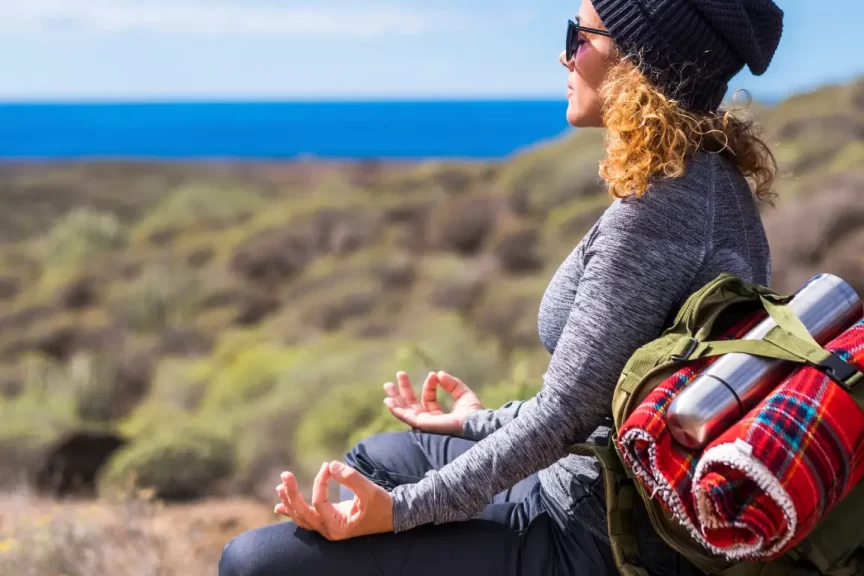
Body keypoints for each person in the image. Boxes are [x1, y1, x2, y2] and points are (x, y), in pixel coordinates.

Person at [218, 0, 783, 574]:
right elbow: (599, 402)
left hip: (598, 536)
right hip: (610, 494)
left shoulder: (658, 215)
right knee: (377, 456)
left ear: (638, 61)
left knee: (251, 562)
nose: (563, 54)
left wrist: (400, 511)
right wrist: (471, 423)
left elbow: (563, 420)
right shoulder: (711, 181)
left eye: (579, 35)